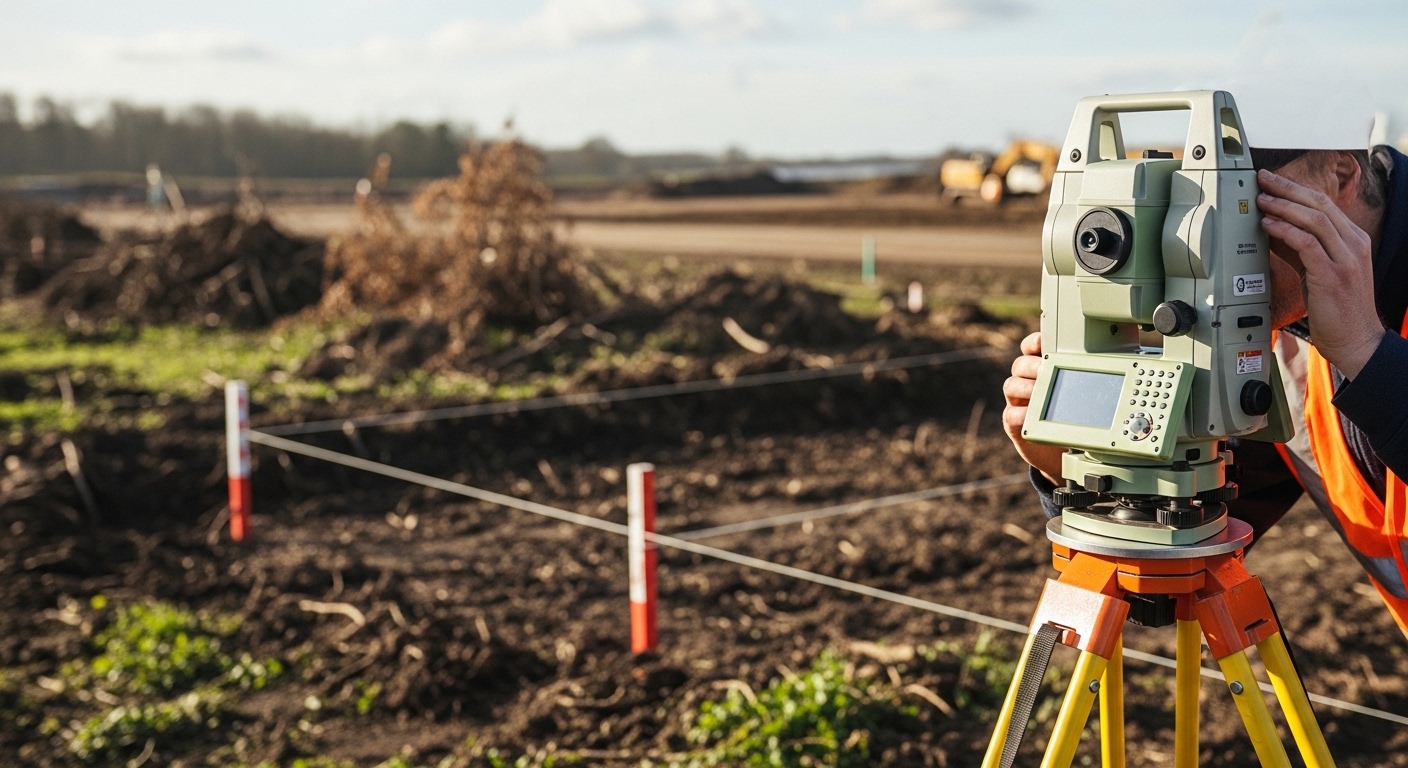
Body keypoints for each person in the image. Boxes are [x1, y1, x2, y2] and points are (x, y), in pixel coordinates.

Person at [1002, 140, 1408, 634]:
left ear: (1340, 173)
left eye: (1236, 204)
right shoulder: (1278, 342)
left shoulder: (1316, 329)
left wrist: (1365, 351)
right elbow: (1179, 566)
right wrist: (1077, 471)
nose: (1205, 250)